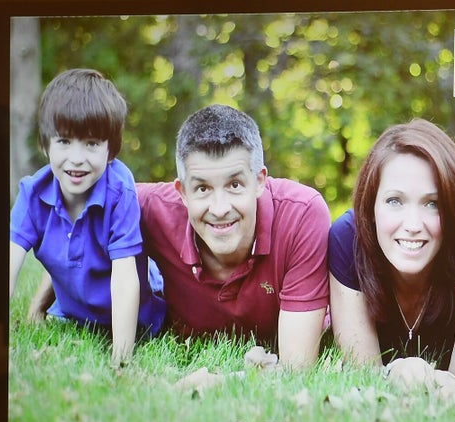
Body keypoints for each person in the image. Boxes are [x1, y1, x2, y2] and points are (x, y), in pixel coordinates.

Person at [136, 104, 331, 369]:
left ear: (260, 180)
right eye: (202, 188)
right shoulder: (150, 207)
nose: (220, 208)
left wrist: (215, 383)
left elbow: (296, 368)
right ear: (182, 192)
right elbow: (75, 201)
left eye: (235, 185)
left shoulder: (301, 214)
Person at [9, 68, 166, 366]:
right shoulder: (32, 194)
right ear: (45, 145)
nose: (77, 158)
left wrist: (121, 360)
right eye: (64, 142)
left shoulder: (119, 192)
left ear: (111, 151)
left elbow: (124, 277)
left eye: (92, 143)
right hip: (76, 315)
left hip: (138, 317)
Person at [328, 119, 455, 374]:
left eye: (432, 204)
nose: (412, 225)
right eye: (395, 200)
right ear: (370, 206)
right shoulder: (348, 239)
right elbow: (365, 374)